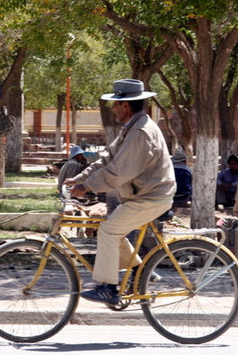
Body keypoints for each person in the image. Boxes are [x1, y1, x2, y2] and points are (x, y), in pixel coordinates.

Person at [65, 79, 176, 305]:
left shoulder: (141, 132)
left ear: (126, 105)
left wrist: (87, 187)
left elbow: (119, 171)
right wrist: (79, 178)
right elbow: (107, 158)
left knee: (108, 231)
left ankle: (108, 287)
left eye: (115, 104)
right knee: (114, 231)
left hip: (152, 196)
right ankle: (140, 271)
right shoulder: (132, 127)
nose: (113, 108)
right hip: (142, 195)